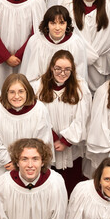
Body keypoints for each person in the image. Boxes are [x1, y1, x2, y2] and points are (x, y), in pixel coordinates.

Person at [30, 50, 91, 192]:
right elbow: (36, 116)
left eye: (67, 69)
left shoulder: (80, 87)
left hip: (71, 146)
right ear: (51, 67)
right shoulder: (38, 86)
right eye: (58, 68)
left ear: (72, 70)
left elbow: (83, 117)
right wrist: (52, 138)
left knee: (70, 185)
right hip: (46, 143)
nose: (62, 73)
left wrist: (65, 141)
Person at [0, 73, 52, 190]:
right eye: (12, 92)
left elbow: (43, 143)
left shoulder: (39, 110)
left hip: (31, 169)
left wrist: (22, 163)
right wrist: (14, 162)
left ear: (27, 92)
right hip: (4, 168)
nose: (16, 96)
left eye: (21, 91)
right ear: (5, 93)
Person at [67, 0, 110, 90]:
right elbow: (71, 35)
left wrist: (89, 57)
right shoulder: (69, 4)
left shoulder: (109, 5)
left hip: (100, 63)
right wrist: (83, 57)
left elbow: (109, 37)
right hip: (77, 61)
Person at [21, 5, 91, 83]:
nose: (57, 28)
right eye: (53, 23)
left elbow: (80, 75)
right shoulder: (35, 41)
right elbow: (28, 73)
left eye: (61, 23)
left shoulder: (76, 43)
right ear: (47, 24)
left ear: (67, 24)